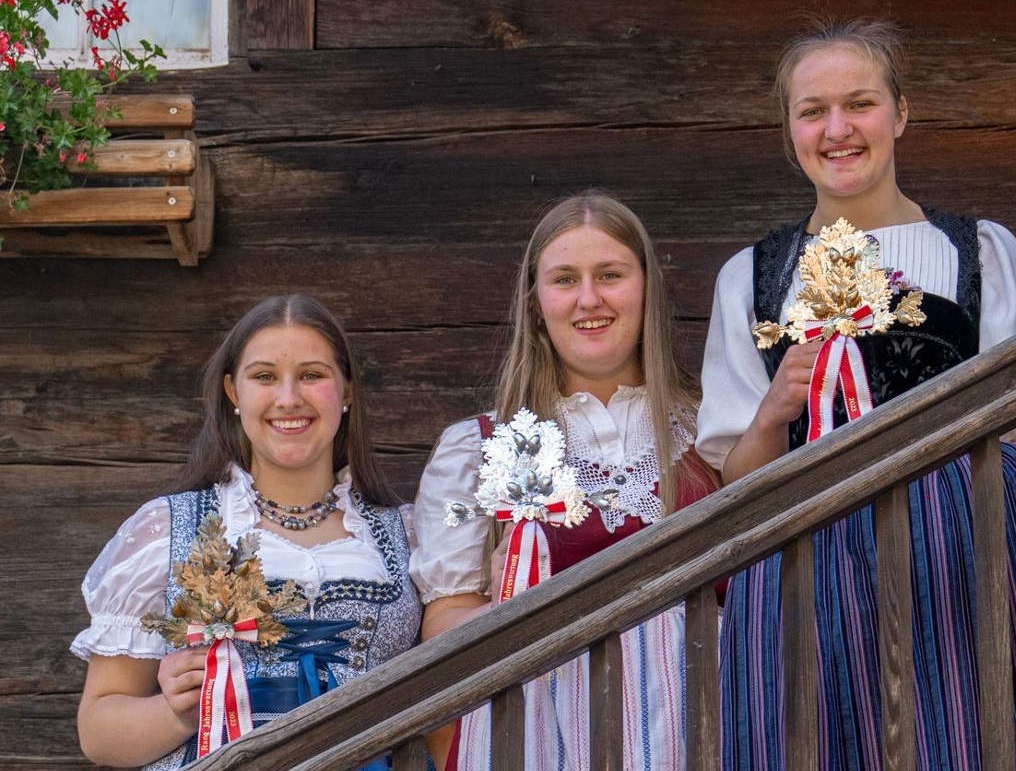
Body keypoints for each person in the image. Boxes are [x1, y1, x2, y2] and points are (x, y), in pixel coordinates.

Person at [696, 17, 1016, 771]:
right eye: (813, 111)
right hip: (799, 586)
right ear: (790, 132)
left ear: (900, 113)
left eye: (860, 103)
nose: (837, 129)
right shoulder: (752, 277)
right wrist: (773, 414)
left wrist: (955, 507)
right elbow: (735, 483)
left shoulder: (977, 253)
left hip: (954, 574)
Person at [409, 191, 718, 770]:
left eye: (610, 275)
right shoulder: (479, 447)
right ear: (536, 302)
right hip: (540, 739)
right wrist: (512, 603)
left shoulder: (713, 432)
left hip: (699, 732)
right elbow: (444, 631)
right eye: (565, 279)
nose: (589, 299)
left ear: (647, 288)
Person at [71, 294, 421, 769]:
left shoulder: (408, 535)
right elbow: (98, 731)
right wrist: (175, 713)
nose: (288, 398)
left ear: (347, 391)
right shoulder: (167, 529)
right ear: (233, 393)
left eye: (312, 375)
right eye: (264, 377)